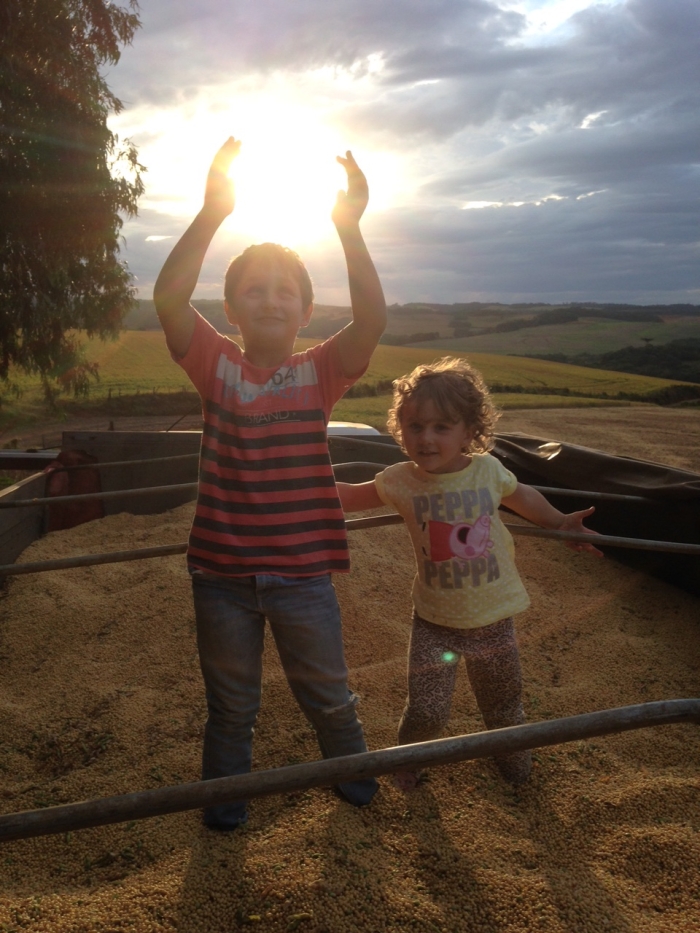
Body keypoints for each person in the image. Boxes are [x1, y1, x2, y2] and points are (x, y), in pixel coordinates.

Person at [153, 137, 387, 829]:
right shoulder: (213, 365)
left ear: (305, 311)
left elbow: (372, 319)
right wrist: (211, 212)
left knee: (328, 693)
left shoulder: (320, 372)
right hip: (220, 576)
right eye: (253, 290)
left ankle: (353, 776)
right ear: (230, 309)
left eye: (285, 290)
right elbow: (168, 296)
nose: (270, 299)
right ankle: (224, 804)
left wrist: (347, 226)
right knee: (231, 703)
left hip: (303, 575)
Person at [337, 357, 601, 791]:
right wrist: (297, 481)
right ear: (400, 428)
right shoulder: (400, 479)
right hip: (433, 624)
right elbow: (349, 496)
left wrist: (558, 523)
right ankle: (410, 764)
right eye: (414, 425)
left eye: (442, 427)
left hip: (494, 621)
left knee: (502, 705)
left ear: (469, 431)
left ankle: (513, 767)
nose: (426, 437)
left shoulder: (487, 471)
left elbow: (523, 497)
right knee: (426, 711)